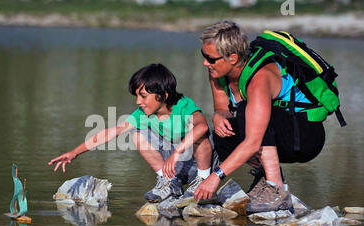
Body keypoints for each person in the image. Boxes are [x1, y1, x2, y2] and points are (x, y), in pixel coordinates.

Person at [194, 20, 325, 213]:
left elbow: (253, 142)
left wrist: (215, 177)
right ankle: (264, 176)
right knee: (222, 134)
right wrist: (218, 116)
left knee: (248, 112)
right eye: (204, 55)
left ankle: (275, 188)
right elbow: (222, 108)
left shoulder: (259, 79)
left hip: (305, 137)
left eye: (211, 58)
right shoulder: (217, 72)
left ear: (232, 58)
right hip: (273, 133)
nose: (206, 62)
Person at [49, 63, 218, 203]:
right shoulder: (143, 114)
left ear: (163, 95)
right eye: (137, 96)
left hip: (201, 163)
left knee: (198, 133)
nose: (138, 102)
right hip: (173, 167)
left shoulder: (183, 105)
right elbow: (113, 132)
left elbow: (202, 127)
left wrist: (177, 152)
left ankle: (202, 181)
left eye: (143, 96)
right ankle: (168, 183)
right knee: (137, 133)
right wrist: (75, 152)